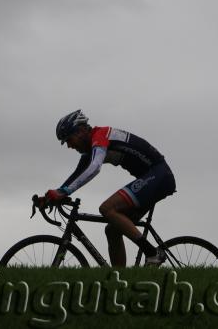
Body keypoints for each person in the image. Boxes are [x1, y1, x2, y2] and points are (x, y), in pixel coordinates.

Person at [43, 109, 176, 266]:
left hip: (159, 175)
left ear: (80, 131)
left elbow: (94, 168)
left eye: (69, 139)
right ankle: (119, 280)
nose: (69, 146)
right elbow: (76, 176)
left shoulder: (101, 136)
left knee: (107, 209)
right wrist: (52, 196)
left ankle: (153, 253)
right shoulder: (90, 149)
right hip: (152, 178)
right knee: (112, 230)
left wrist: (64, 192)